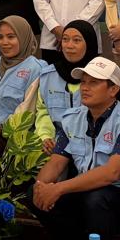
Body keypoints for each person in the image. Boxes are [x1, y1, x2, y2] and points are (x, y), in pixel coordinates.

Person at [30, 57, 120, 240]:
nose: (85, 87)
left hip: (119, 196)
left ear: (113, 89)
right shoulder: (72, 118)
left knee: (96, 198)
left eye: (93, 83)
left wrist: (58, 188)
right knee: (35, 193)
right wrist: (41, 187)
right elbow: (56, 162)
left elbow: (111, 173)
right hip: (83, 189)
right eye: (83, 82)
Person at [0, 15, 50, 166]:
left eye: (11, 37)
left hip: (17, 140)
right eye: (0, 37)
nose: (4, 42)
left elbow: (28, 112)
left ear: (23, 37)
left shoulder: (36, 68)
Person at [35, 20, 102, 149]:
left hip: (91, 145)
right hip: (54, 143)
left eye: (76, 40)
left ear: (89, 43)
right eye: (65, 39)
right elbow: (43, 111)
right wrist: (46, 137)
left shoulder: (101, 77)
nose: (69, 46)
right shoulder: (48, 75)